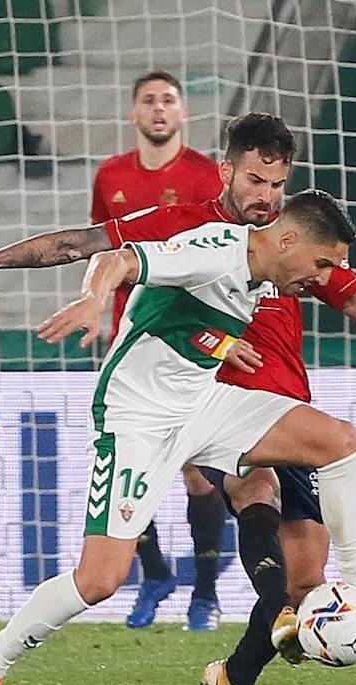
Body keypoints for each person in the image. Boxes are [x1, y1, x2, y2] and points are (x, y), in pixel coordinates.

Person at [0, 190, 356, 685]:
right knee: (100, 580)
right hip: (135, 420)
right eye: (323, 263)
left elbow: (177, 317)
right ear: (288, 239)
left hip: (201, 404)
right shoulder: (218, 250)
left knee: (339, 440)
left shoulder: (262, 272)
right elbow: (117, 259)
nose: (323, 277)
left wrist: (216, 343)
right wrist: (91, 299)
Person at [91, 70, 228, 631]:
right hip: (130, 338)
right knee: (127, 461)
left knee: (198, 475)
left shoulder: (203, 175)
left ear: (183, 113)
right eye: (148, 101)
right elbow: (103, 249)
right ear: (133, 113)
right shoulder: (112, 176)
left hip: (189, 340)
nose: (158, 109)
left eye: (168, 100)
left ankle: (206, 593)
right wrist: (97, 308)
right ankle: (153, 573)